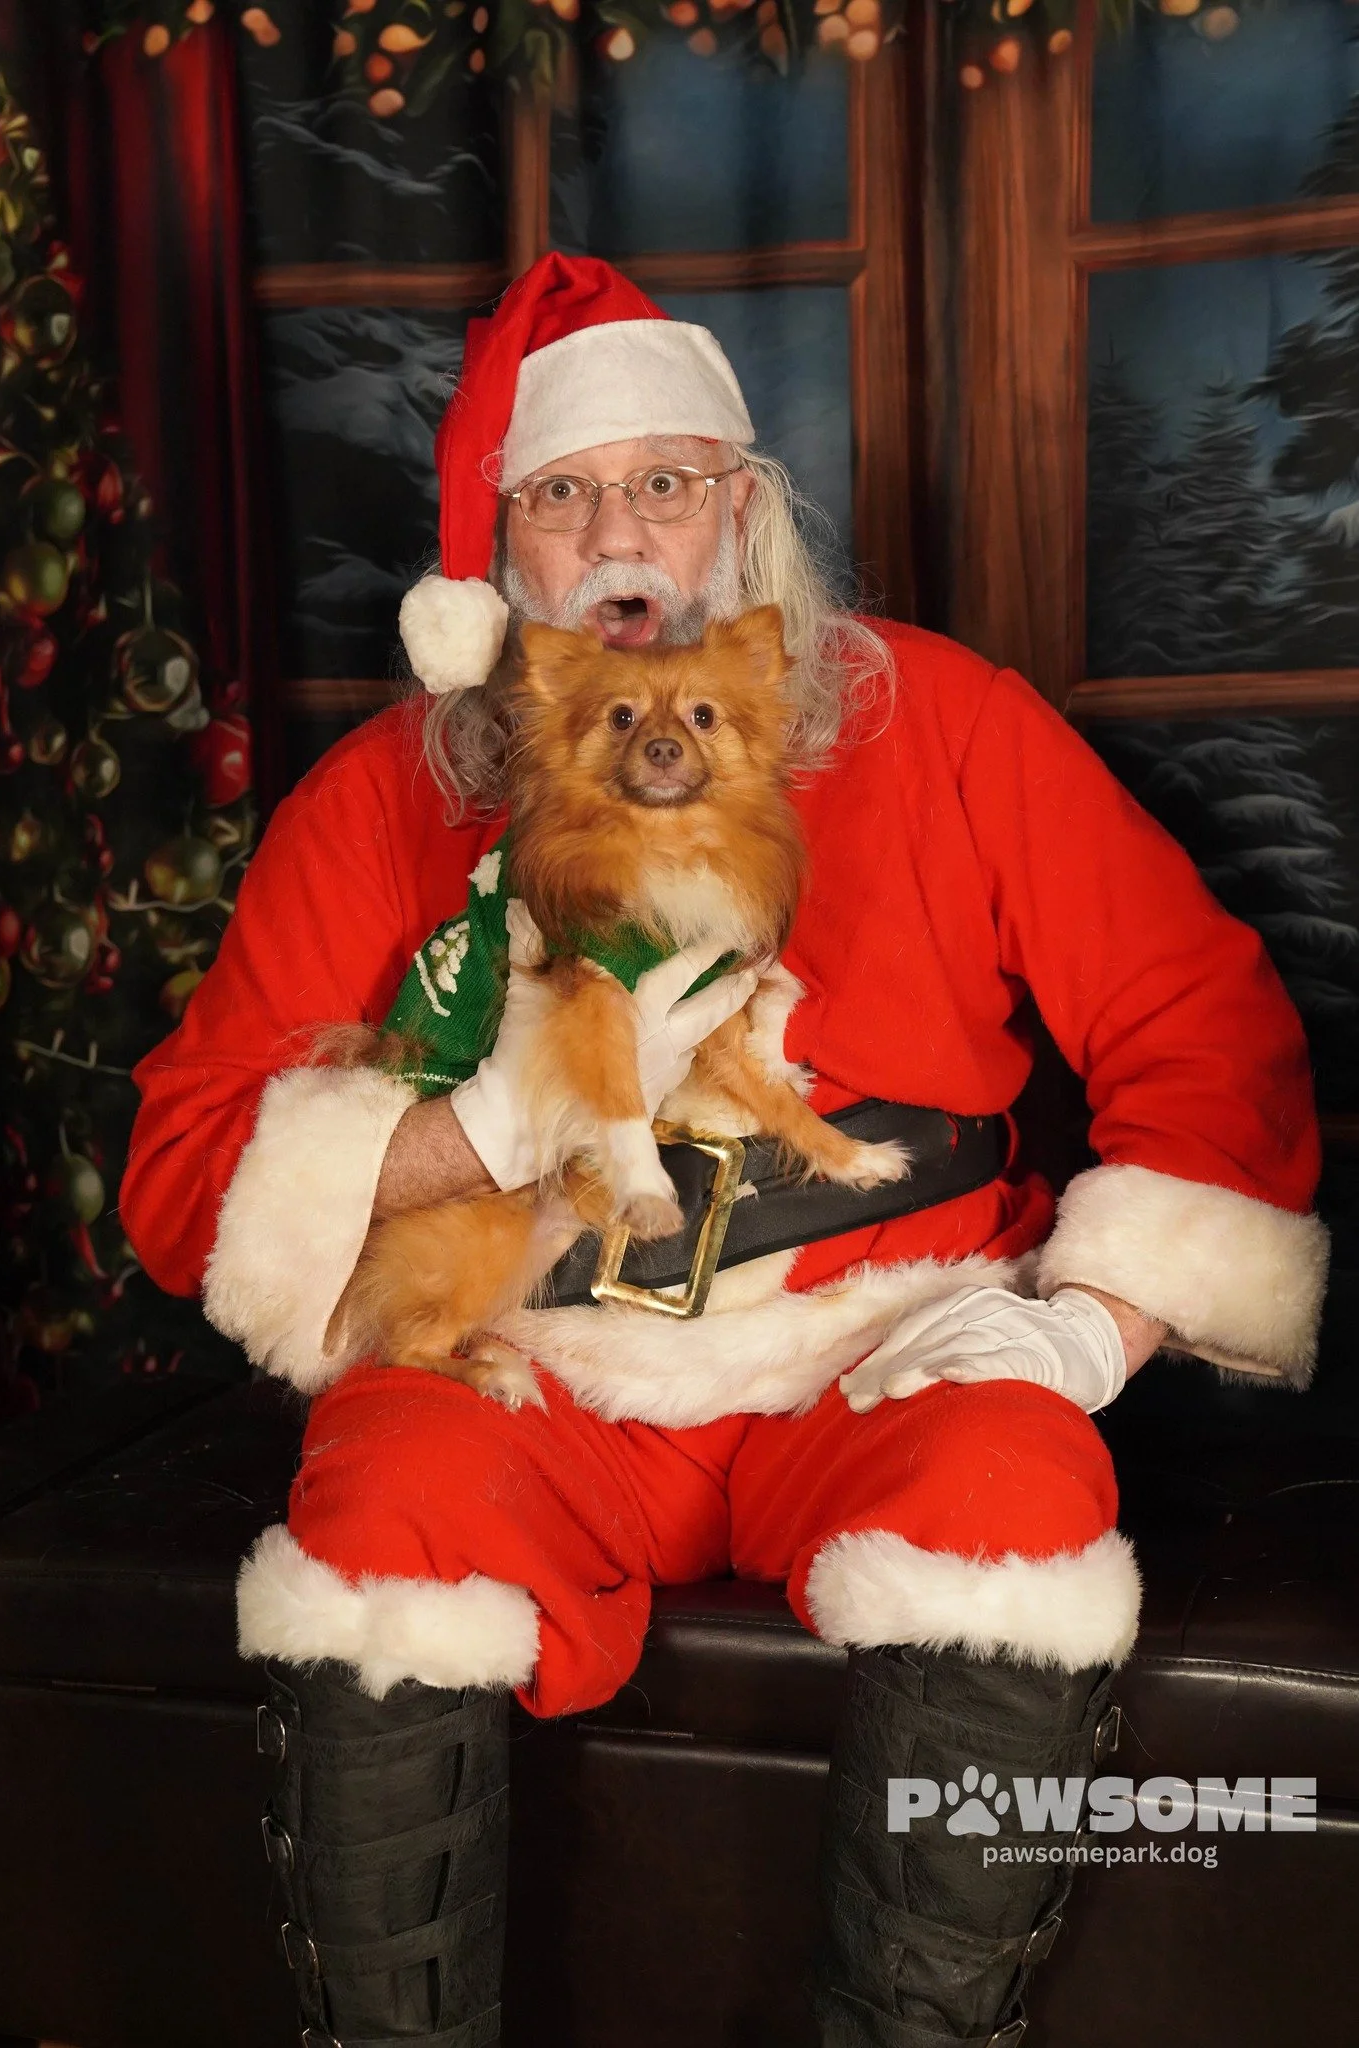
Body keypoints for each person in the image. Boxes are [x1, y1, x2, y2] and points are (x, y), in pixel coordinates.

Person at [120, 255, 1327, 2048]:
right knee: (379, 1507)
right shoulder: (377, 798)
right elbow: (185, 1179)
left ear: (743, 516)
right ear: (503, 557)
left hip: (873, 1332)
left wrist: (1092, 1326)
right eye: (564, 495)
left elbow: (1204, 1026)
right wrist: (483, 1129)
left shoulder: (945, 717)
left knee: (1012, 1493)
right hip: (537, 1353)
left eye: (666, 483)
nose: (622, 536)